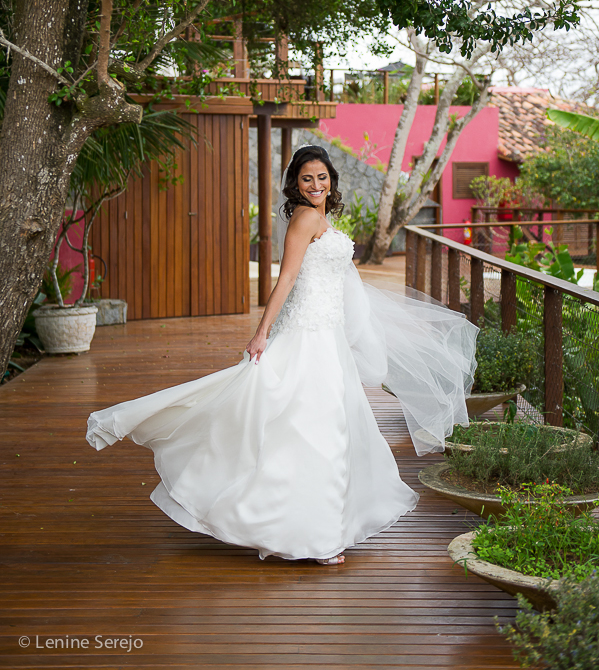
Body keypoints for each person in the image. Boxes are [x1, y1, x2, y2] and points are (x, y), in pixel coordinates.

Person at [87, 145, 477, 565]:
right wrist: (262, 333)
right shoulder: (306, 216)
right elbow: (287, 277)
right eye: (307, 178)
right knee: (319, 429)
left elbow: (334, 278)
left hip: (327, 335)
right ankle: (317, 536)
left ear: (332, 180)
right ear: (296, 182)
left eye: (322, 177)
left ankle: (313, 526)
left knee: (325, 427)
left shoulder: (321, 216)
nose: (316, 185)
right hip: (308, 336)